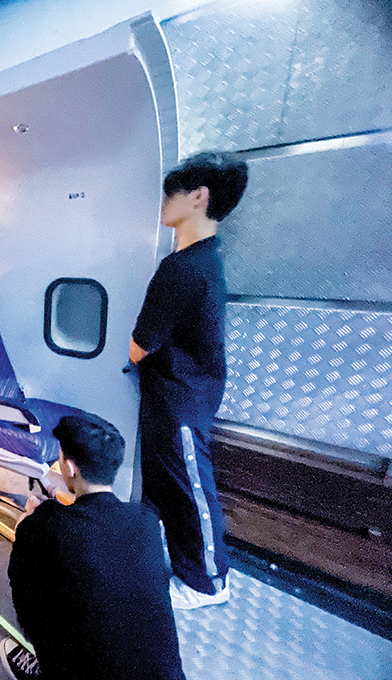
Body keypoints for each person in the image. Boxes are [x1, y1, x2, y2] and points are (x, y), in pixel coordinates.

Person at [129, 151, 249, 609]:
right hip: (183, 392)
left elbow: (139, 346)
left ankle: (208, 584)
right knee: (171, 486)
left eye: (170, 193)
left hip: (179, 396)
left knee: (189, 489)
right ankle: (181, 565)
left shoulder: (181, 268)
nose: (163, 202)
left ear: (198, 196)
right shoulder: (204, 259)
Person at [2, 414, 186, 680]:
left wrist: (26, 529)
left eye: (60, 458)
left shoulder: (46, 524)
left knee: (33, 584)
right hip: (165, 675)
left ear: (70, 468)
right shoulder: (146, 520)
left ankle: (49, 668)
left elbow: (21, 587)